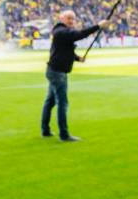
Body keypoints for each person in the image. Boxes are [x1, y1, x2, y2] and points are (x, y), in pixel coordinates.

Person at [41, 10, 107, 142]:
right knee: (62, 103)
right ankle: (64, 135)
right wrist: (98, 26)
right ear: (61, 18)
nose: (71, 21)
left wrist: (77, 58)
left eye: (73, 19)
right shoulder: (61, 31)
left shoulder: (62, 32)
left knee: (50, 101)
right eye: (69, 18)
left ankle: (45, 130)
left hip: (55, 70)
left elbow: (64, 51)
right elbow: (79, 34)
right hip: (57, 72)